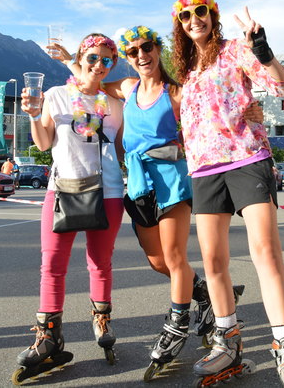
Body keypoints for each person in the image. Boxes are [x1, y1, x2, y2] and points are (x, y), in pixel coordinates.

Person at [54, 26, 260, 372]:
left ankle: (176, 325)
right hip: (137, 184)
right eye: (132, 52)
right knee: (157, 261)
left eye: (146, 47)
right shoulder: (125, 87)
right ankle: (207, 294)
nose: (141, 55)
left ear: (157, 49)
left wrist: (253, 112)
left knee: (176, 257)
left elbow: (215, 111)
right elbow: (91, 80)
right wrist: (70, 63)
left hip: (171, 181)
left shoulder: (177, 92)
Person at [171, 0, 284, 387]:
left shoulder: (236, 50)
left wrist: (264, 52)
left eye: (200, 11)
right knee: (214, 262)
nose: (193, 19)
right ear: (180, 26)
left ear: (212, 15)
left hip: (247, 158)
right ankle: (228, 342)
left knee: (266, 253)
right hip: (203, 170)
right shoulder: (186, 71)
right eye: (185, 16)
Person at [15, 33, 124, 377]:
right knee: (52, 264)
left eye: (107, 60)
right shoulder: (56, 95)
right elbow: (45, 141)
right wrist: (33, 115)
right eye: (93, 57)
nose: (98, 65)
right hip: (63, 188)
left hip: (107, 192)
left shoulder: (116, 104)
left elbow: (121, 151)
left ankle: (101, 321)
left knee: (100, 262)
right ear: (81, 56)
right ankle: (49, 337)